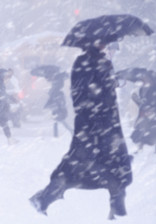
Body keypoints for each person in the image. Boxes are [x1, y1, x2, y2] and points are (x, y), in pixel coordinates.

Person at [30, 44, 133, 220]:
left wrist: (109, 84)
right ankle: (44, 199)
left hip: (101, 125)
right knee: (82, 167)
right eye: (109, 48)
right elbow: (85, 95)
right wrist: (106, 86)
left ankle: (118, 213)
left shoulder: (95, 64)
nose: (112, 52)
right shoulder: (89, 63)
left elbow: (93, 93)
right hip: (94, 126)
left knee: (113, 169)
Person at [130, 72, 156, 153]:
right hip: (145, 115)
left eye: (146, 78)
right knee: (137, 133)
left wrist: (152, 110)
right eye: (143, 79)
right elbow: (143, 103)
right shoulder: (142, 90)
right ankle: (140, 145)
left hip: (151, 116)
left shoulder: (153, 89)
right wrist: (137, 100)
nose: (144, 81)